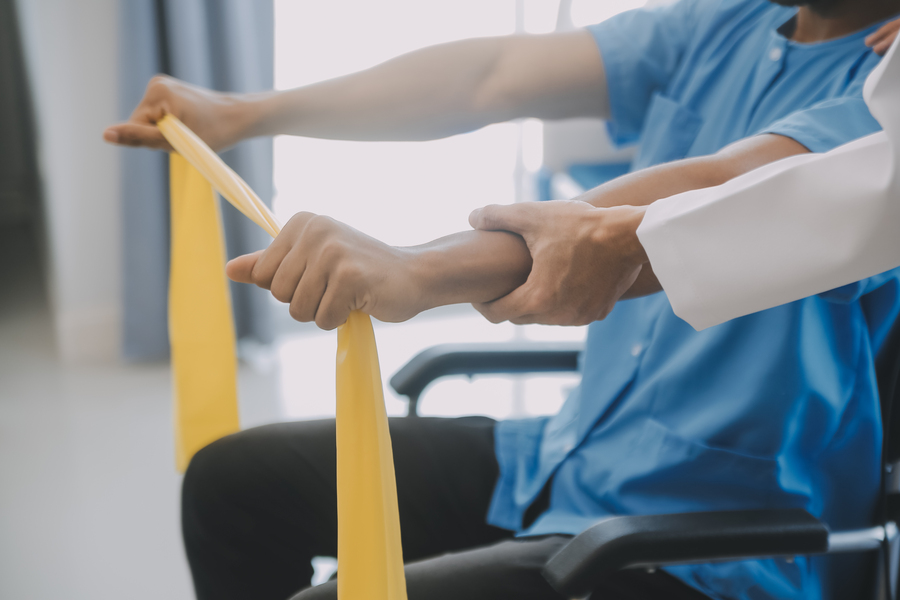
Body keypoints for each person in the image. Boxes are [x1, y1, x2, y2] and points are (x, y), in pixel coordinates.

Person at [106, 2, 900, 600]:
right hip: (566, 459)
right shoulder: (732, 22)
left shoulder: (880, 98)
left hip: (711, 550)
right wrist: (246, 114)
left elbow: (721, 187)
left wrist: (415, 268)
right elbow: (490, 77)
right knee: (233, 485)